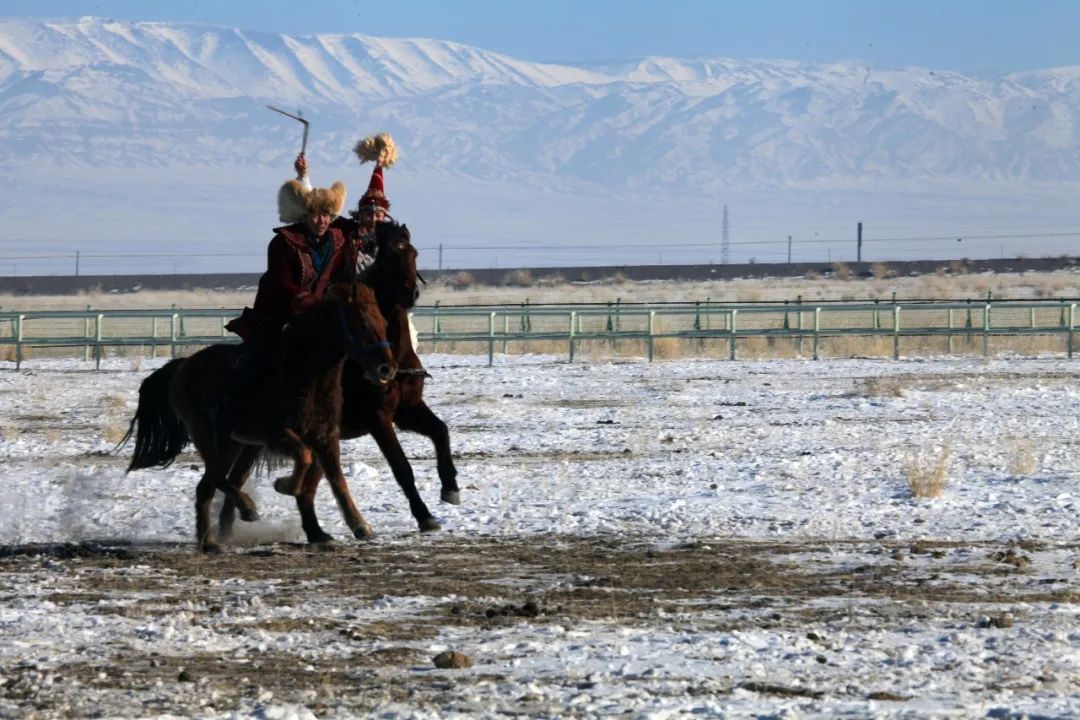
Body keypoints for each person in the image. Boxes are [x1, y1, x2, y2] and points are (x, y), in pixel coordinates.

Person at [225, 176, 350, 345]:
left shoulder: (337, 240)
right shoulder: (283, 242)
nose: (321, 221)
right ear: (303, 216)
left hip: (320, 313)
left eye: (326, 215)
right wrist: (313, 304)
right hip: (280, 312)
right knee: (263, 356)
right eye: (315, 215)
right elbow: (282, 283)